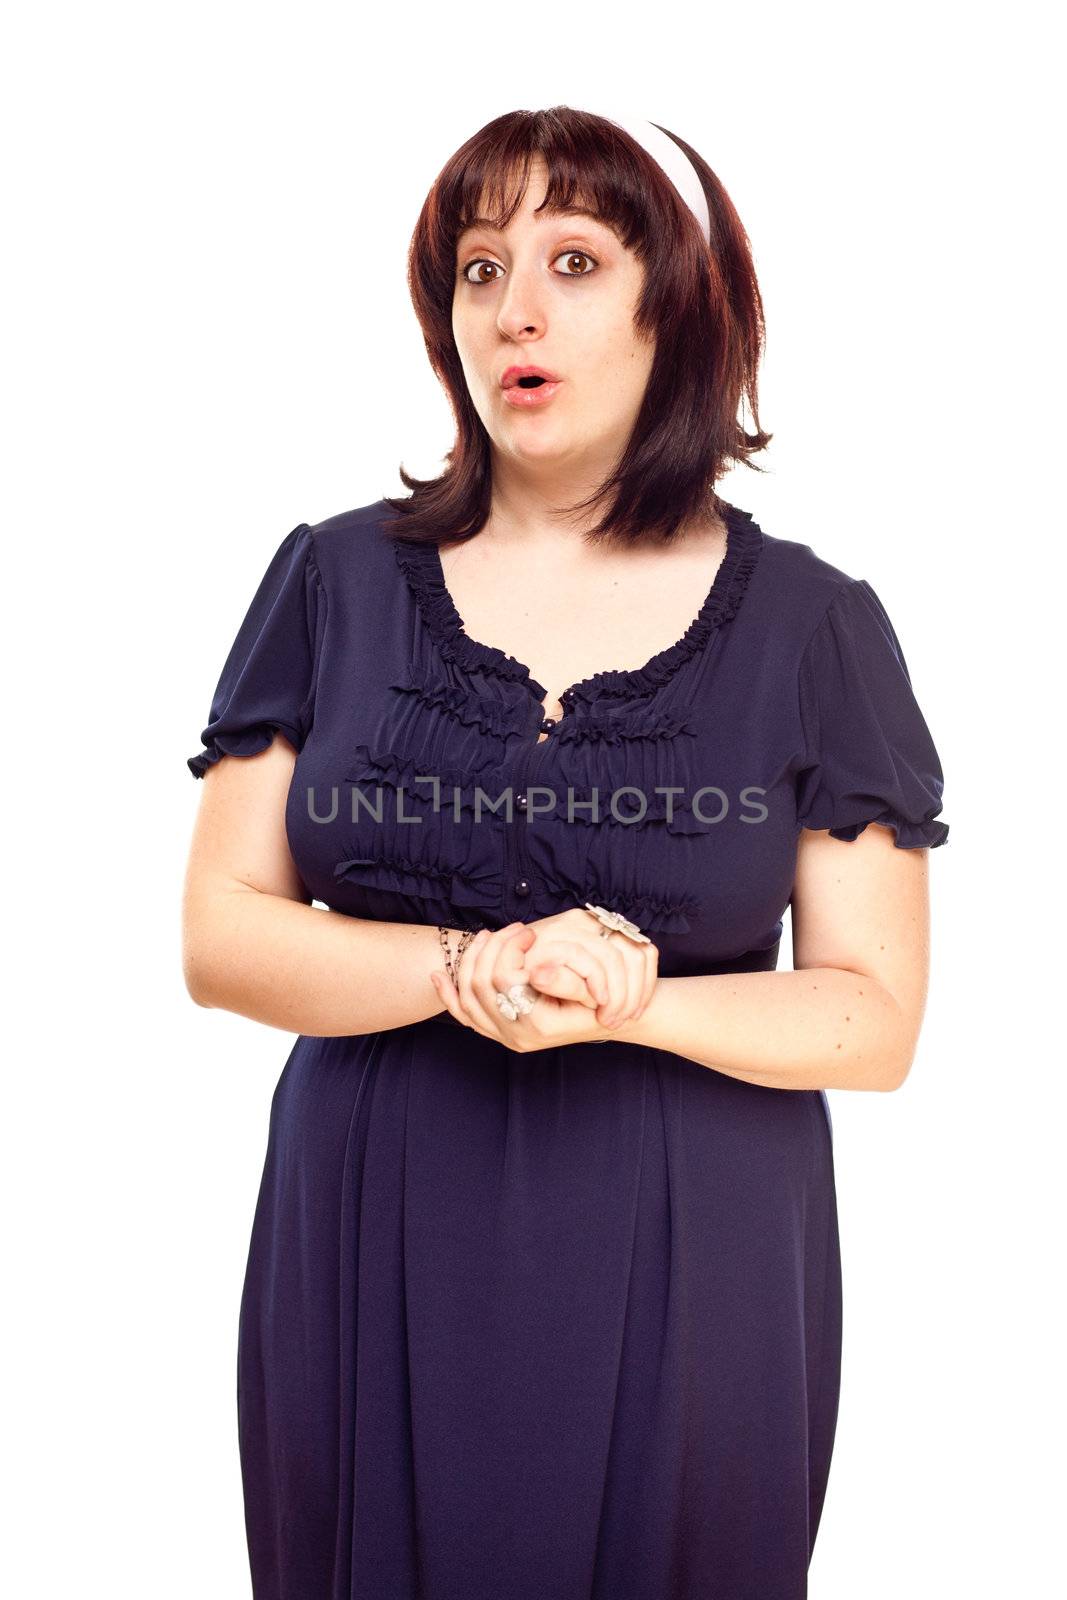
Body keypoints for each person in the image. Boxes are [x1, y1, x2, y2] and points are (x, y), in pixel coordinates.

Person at [182, 106, 949, 1600]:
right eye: (478, 269)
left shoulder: (816, 625)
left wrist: (628, 995)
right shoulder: (331, 578)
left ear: (678, 304)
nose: (514, 309)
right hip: (374, 1225)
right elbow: (220, 933)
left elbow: (875, 1017)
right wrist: (469, 965)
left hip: (701, 1248)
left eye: (574, 260)